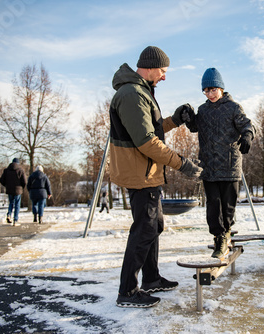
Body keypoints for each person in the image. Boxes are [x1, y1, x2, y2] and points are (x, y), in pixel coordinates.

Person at [109, 46, 202, 308]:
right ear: (150, 67)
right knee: (145, 228)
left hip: (146, 172)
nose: (164, 76)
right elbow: (147, 141)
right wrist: (182, 164)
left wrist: (175, 119)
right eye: (163, 71)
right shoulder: (131, 94)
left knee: (153, 226)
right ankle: (127, 291)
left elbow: (154, 129)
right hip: (140, 173)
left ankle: (151, 278)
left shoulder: (140, 92)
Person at [186, 68, 255, 259]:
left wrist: (248, 135)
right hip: (209, 166)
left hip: (230, 167)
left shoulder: (233, 107)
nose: (210, 94)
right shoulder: (203, 110)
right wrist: (188, 116)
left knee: (227, 207)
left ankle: (226, 233)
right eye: (206, 91)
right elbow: (194, 127)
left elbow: (247, 125)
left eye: (213, 89)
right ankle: (219, 237)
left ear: (221, 88)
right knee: (213, 206)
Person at [0, 158, 27, 225]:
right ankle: (15, 219)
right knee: (17, 204)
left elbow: (1, 180)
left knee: (11, 203)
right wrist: (21, 187)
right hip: (18, 190)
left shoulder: (6, 170)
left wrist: (6, 185)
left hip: (9, 189)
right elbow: (24, 181)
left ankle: (9, 214)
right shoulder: (20, 170)